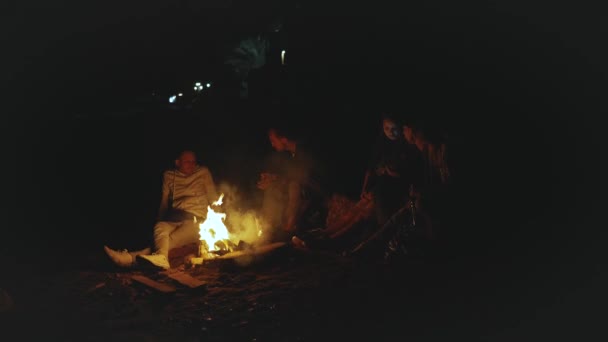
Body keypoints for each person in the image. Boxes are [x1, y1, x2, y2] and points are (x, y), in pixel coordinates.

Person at [104, 150, 218, 269]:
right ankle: (161, 259)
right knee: (159, 227)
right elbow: (164, 202)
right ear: (177, 162)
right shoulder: (169, 175)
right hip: (175, 217)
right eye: (187, 162)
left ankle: (130, 258)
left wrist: (220, 221)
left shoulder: (203, 172)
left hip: (196, 220)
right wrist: (159, 219)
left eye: (194, 161)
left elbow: (213, 197)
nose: (192, 164)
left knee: (168, 242)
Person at [257, 126, 326, 242]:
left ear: (283, 139)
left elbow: (301, 181)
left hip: (317, 196)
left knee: (291, 187)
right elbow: (293, 176)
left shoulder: (304, 151)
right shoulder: (294, 154)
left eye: (273, 141)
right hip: (307, 193)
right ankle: (270, 228)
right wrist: (273, 178)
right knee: (274, 190)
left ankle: (288, 229)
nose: (272, 145)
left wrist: (276, 181)